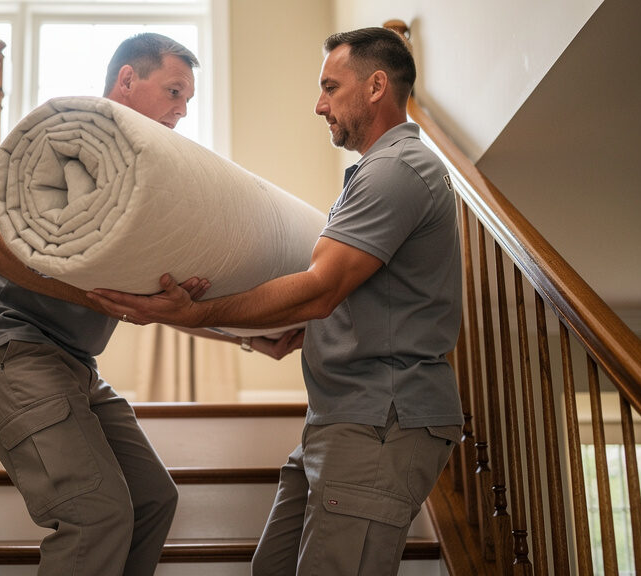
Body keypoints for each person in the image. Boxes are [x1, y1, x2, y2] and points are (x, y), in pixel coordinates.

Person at [88, 27, 463, 576]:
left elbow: (320, 287)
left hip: (381, 421)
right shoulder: (373, 173)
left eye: (331, 86)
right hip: (340, 417)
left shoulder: (399, 169)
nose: (319, 104)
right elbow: (360, 300)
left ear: (377, 85)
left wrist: (202, 313)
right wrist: (252, 332)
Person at [0, 33, 297, 576]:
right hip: (2, 340)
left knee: (154, 499)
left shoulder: (148, 176)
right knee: (96, 514)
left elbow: (152, 302)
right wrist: (89, 294)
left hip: (72, 361)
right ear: (127, 80)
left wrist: (246, 335)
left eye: (189, 100)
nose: (182, 110)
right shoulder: (65, 134)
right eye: (174, 91)